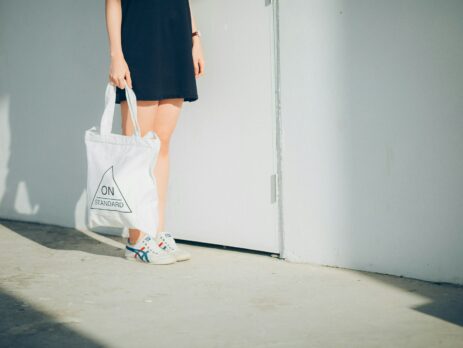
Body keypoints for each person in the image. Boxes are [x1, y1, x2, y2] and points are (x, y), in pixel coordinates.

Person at [105, 0, 205, 265]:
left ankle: (156, 233)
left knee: (161, 145)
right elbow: (113, 3)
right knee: (137, 148)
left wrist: (195, 39)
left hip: (176, 39)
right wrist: (116, 55)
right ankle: (136, 239)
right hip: (140, 41)